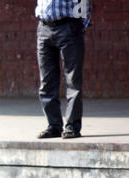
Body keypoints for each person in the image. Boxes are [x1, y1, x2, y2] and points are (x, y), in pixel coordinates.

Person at [35, 0, 91, 139]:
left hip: (68, 26)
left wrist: (79, 26)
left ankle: (72, 126)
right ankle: (54, 126)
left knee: (72, 80)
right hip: (44, 28)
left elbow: (84, 2)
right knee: (46, 82)